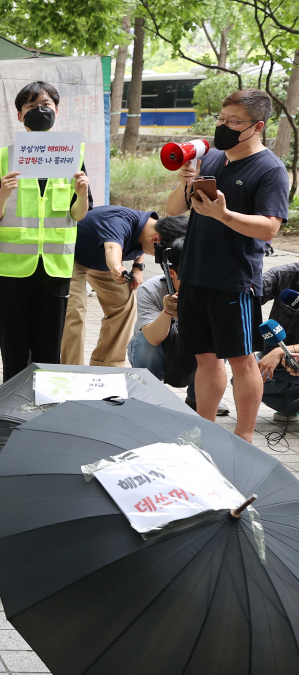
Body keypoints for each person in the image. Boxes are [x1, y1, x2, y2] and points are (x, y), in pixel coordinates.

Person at [164, 87, 289, 441]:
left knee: (242, 360)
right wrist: (184, 184)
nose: (225, 126)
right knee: (205, 359)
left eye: (235, 121)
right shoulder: (215, 158)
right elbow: (175, 209)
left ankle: (244, 438)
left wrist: (224, 215)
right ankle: (204, 432)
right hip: (194, 274)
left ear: (257, 126)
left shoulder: (270, 169)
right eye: (222, 119)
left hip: (234, 280)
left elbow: (270, 228)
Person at [0, 80, 91, 381]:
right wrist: (2, 194)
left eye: (46, 105)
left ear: (57, 111)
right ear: (19, 115)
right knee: (13, 350)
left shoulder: (72, 156)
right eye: (31, 106)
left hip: (55, 270)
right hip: (12, 271)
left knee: (48, 352)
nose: (39, 111)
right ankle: (11, 415)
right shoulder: (5, 158)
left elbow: (78, 214)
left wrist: (82, 193)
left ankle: (43, 413)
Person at [62, 208, 181, 367]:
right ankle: (70, 370)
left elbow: (141, 243)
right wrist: (117, 267)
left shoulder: (153, 226)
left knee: (124, 302)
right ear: (156, 239)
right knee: (74, 310)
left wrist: (138, 267)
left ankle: (106, 366)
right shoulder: (117, 222)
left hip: (100, 262)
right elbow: (112, 248)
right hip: (72, 256)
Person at [126, 235, 228, 416]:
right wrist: (167, 312)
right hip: (161, 349)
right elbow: (152, 338)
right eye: (192, 274)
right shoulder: (150, 289)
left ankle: (199, 399)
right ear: (172, 272)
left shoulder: (214, 289)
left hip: (193, 354)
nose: (199, 279)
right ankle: (149, 400)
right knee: (145, 343)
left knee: (219, 342)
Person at [255, 261, 299, 420]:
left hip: (284, 353)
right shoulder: (286, 274)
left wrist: (281, 351)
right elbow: (256, 291)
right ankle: (289, 407)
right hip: (278, 360)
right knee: (247, 372)